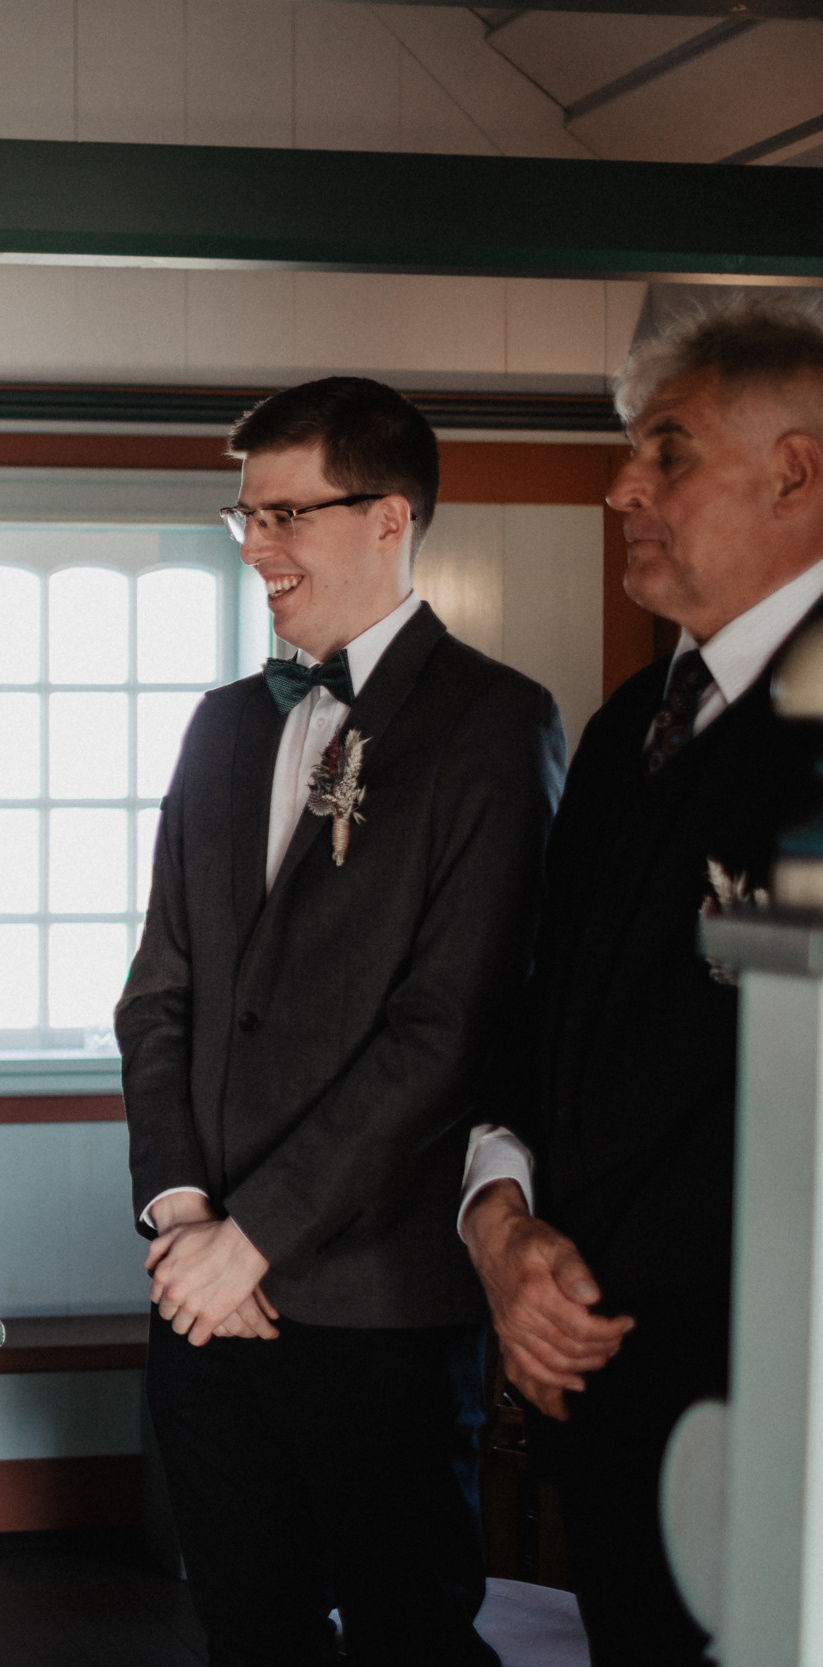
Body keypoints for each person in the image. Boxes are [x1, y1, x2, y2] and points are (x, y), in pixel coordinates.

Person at [116, 377, 566, 1664]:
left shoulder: (493, 722)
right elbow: (158, 997)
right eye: (242, 516)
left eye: (284, 514)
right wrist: (184, 1213)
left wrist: (259, 1235)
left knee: (407, 1635)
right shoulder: (217, 727)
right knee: (246, 1631)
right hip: (201, 1301)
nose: (255, 548)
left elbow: (450, 1029)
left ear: (390, 517)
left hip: (378, 1306)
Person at [460, 295, 823, 1666]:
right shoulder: (624, 731)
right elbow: (536, 1014)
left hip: (781, 1407)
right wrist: (504, 1226)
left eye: (665, 450)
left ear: (795, 469)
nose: (623, 484)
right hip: (597, 1396)